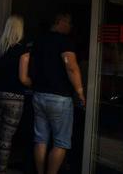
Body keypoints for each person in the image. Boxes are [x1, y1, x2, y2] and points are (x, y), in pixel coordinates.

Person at [29, 13, 85, 174]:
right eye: (69, 23)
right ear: (60, 22)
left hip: (39, 95)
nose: (70, 26)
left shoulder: (39, 40)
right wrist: (80, 91)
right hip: (59, 97)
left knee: (40, 139)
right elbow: (71, 67)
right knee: (61, 142)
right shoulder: (64, 42)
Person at [0, 16, 31, 174]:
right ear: (20, 30)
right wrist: (32, 82)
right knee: (6, 137)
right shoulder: (23, 51)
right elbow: (23, 78)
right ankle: (2, 170)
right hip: (14, 98)